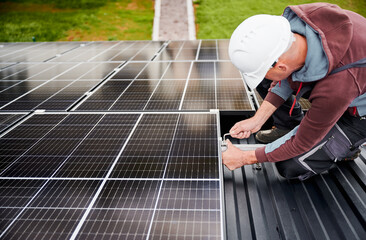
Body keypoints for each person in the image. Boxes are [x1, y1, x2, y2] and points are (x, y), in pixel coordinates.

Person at [222, 3, 366, 180]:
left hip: (358, 114)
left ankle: (347, 146)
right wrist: (257, 120)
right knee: (267, 79)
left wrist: (244, 157)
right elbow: (285, 76)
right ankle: (288, 127)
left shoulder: (337, 86)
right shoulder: (299, 28)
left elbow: (303, 142)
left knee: (290, 165)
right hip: (342, 85)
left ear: (281, 66)